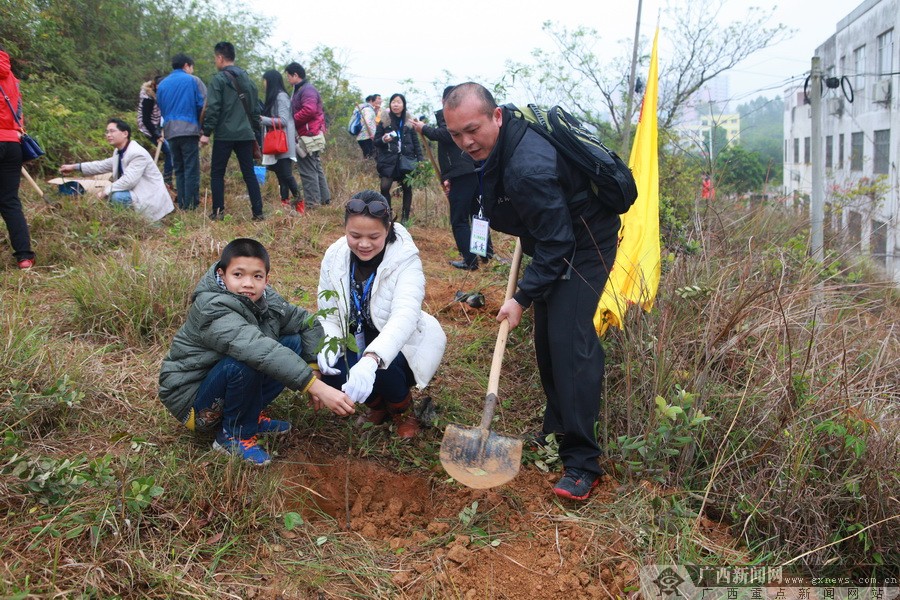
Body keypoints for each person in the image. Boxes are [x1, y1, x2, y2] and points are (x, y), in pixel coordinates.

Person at [443, 83, 620, 501]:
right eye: (455, 134)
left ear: (497, 116)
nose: (466, 142)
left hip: (584, 242)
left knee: (569, 341)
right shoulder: (502, 147)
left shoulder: (528, 168)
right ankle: (556, 431)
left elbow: (560, 242)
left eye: (473, 129)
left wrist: (520, 297)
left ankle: (582, 462)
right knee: (546, 340)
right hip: (550, 237)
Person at [159, 238, 356, 466]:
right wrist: (316, 388)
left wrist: (314, 368)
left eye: (257, 276)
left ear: (266, 279)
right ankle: (232, 435)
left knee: (291, 342)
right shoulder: (211, 307)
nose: (248, 284)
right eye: (238, 275)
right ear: (222, 275)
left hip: (221, 378)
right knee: (244, 361)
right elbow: (257, 349)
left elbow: (306, 322)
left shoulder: (265, 298)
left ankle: (249, 417)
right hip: (193, 403)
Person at [316, 190, 445, 439]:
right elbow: (328, 310)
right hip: (356, 335)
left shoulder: (405, 259)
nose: (364, 244)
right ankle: (376, 406)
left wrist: (373, 358)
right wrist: (330, 342)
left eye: (374, 236)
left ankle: (402, 409)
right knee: (330, 367)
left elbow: (404, 316)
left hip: (402, 343)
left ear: (388, 230)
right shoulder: (334, 257)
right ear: (345, 230)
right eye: (355, 236)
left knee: (381, 365)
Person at [412, 86, 492, 270]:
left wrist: (423, 128)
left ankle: (470, 260)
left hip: (463, 174)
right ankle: (484, 253)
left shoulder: (450, 115)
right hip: (472, 171)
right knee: (476, 214)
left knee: (460, 219)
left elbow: (444, 134)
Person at [60, 118, 174, 222]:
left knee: (116, 197)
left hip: (149, 196)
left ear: (125, 133)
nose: (108, 135)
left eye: (112, 131)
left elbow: (129, 181)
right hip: (136, 192)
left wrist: (104, 192)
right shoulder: (119, 151)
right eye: (107, 132)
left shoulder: (137, 153)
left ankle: (144, 223)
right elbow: (101, 165)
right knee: (113, 194)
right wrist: (74, 167)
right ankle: (127, 221)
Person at [201, 42, 264, 221]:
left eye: (215, 58)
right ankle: (258, 212)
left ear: (220, 57)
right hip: (245, 134)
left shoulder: (218, 80)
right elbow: (255, 109)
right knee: (249, 173)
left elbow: (213, 108)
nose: (215, 62)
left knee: (217, 173)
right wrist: (254, 131)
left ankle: (218, 212)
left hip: (224, 135)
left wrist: (206, 132)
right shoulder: (248, 79)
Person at [0, 46, 35, 270]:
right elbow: (19, 110)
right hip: (12, 143)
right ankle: (24, 256)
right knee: (10, 201)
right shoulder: (10, 76)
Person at [156, 53, 207, 210]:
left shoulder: (162, 85)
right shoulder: (193, 80)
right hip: (189, 129)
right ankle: (191, 205)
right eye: (191, 67)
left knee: (178, 168)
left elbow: (161, 108)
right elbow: (204, 105)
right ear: (187, 65)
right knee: (191, 167)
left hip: (170, 131)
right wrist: (202, 128)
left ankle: (183, 203)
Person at [285, 62, 331, 208]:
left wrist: (291, 120)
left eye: (288, 76)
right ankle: (324, 199)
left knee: (307, 170)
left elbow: (309, 110)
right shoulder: (300, 89)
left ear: (295, 75)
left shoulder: (307, 90)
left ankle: (313, 204)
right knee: (315, 167)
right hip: (311, 134)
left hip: (308, 135)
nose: (287, 79)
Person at [373, 93, 422, 223]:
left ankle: (405, 220)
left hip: (407, 159)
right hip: (389, 159)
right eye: (393, 102)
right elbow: (376, 141)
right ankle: (387, 217)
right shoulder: (384, 120)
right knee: (384, 187)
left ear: (403, 105)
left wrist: (420, 160)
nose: (395, 104)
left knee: (407, 189)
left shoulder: (409, 121)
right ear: (390, 104)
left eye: (398, 102)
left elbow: (416, 142)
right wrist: (384, 139)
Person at [259, 70, 302, 214]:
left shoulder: (281, 97)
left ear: (270, 81)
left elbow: (283, 120)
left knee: (286, 175)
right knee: (281, 175)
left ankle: (300, 202)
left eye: (265, 81)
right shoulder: (275, 97)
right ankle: (285, 203)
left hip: (283, 143)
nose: (264, 84)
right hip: (277, 143)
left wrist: (262, 119)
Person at [136, 75, 173, 188]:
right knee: (169, 151)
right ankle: (165, 181)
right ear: (155, 85)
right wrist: (156, 134)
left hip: (158, 125)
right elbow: (145, 120)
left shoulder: (160, 94)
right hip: (149, 128)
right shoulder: (148, 97)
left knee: (170, 151)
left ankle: (166, 181)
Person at [355, 94, 380, 159]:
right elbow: (367, 122)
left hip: (361, 136)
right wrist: (371, 134)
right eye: (377, 99)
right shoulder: (368, 110)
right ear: (372, 101)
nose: (379, 101)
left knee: (367, 156)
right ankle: (367, 169)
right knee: (372, 156)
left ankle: (365, 168)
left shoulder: (364, 108)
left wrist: (376, 111)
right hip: (367, 136)